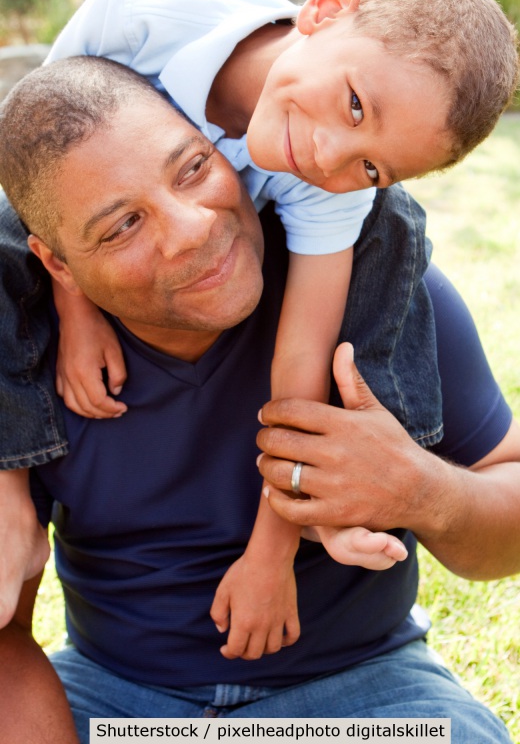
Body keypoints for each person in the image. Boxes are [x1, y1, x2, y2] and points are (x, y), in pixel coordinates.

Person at [0, 56, 519, 744]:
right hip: (117, 703)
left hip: (361, 696)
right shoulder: (23, 347)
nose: (192, 228)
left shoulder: (374, 295)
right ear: (57, 265)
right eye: (122, 224)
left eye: (191, 168)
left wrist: (421, 490)